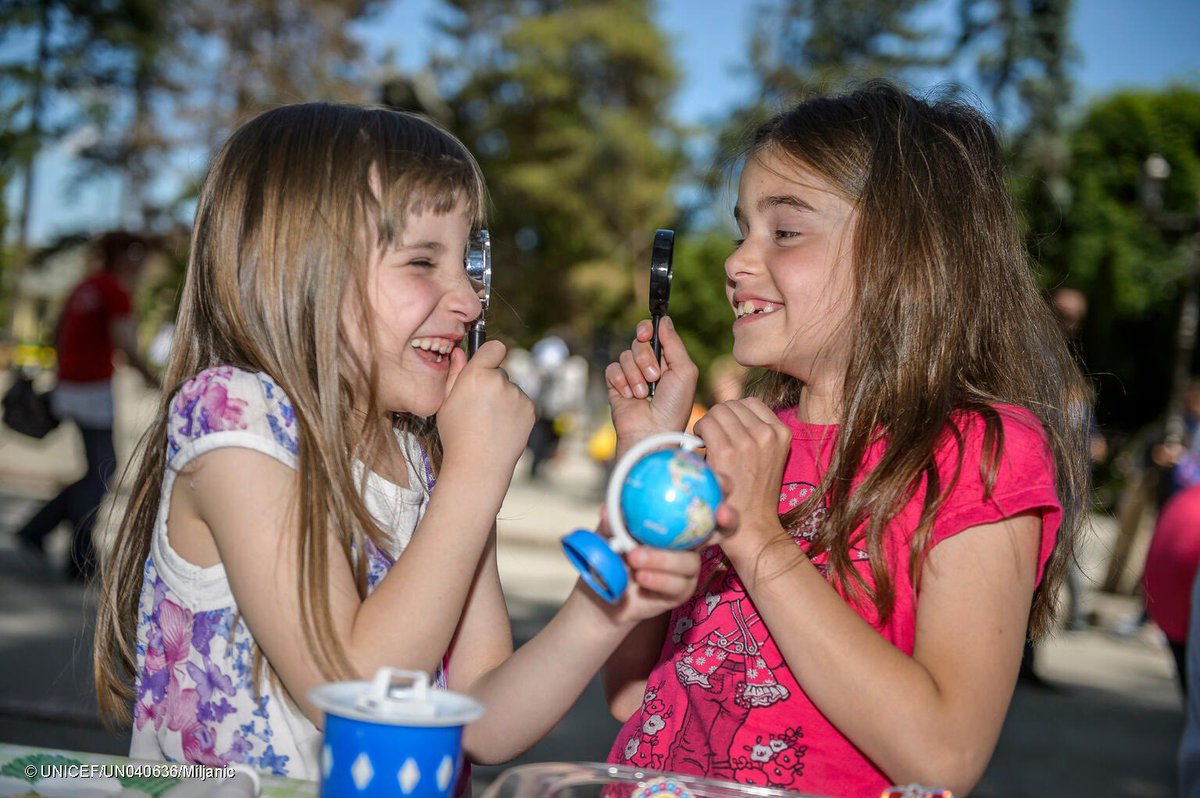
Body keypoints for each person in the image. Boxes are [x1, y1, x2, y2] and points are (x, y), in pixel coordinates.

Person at [93, 103, 731, 778]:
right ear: (302, 269)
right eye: (423, 261)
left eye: (468, 261)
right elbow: (354, 689)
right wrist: (475, 475)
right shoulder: (234, 415)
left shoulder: (422, 455)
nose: (470, 298)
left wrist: (605, 611)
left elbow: (476, 718)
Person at [601, 83, 1090, 797]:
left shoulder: (979, 451)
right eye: (743, 229)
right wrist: (645, 459)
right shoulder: (743, 446)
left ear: (904, 254)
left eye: (785, 231)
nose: (737, 262)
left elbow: (945, 754)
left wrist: (759, 540)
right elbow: (629, 693)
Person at [14, 230, 158, 581]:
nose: (141, 262)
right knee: (101, 471)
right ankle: (79, 554)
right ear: (122, 255)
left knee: (98, 469)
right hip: (91, 390)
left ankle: (40, 528)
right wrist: (155, 379)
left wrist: (65, 373)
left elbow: (57, 333)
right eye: (135, 254)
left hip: (71, 387)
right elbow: (125, 341)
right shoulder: (113, 289)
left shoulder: (86, 285)